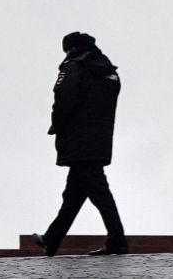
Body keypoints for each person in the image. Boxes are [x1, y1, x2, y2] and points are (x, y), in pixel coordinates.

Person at [32, 31, 126, 256]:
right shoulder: (109, 72)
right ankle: (51, 239)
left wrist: (56, 125)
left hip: (79, 139)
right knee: (74, 194)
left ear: (72, 49)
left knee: (99, 192)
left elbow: (63, 98)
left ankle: (118, 240)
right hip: (100, 139)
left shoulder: (74, 67)